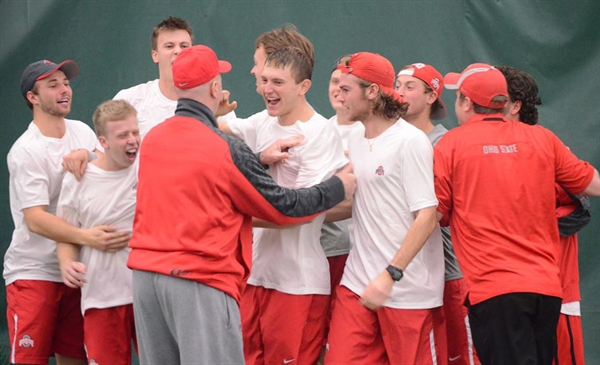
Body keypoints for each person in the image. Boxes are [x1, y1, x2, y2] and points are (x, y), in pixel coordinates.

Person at [127, 44, 356, 364]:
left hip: (144, 278)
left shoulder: (154, 139)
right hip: (197, 278)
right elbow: (283, 207)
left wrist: (258, 159)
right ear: (215, 87)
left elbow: (198, 180)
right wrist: (338, 185)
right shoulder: (224, 149)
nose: (265, 88)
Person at [434, 63, 600, 365]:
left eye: (459, 97)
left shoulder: (451, 145)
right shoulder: (544, 140)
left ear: (468, 102)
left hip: (494, 290)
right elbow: (592, 184)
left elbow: (433, 214)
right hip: (546, 290)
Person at [227, 46, 347, 365]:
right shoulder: (261, 122)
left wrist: (234, 216)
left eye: (278, 82)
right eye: (265, 79)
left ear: (303, 86)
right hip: (254, 276)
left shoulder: (320, 133)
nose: (267, 89)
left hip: (297, 282)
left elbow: (300, 213)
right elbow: (218, 128)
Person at [4, 59, 130, 365]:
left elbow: (107, 164)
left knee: (75, 358)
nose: (64, 90)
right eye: (53, 85)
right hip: (34, 274)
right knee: (29, 359)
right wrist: (87, 237)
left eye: (66, 83)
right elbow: (35, 218)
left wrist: (87, 153)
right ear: (32, 98)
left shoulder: (83, 132)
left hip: (77, 273)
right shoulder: (26, 151)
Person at [325, 52, 445, 365]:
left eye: (347, 89)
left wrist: (390, 275)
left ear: (373, 91)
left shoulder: (411, 142)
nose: (338, 95)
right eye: (337, 86)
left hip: (407, 290)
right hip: (357, 285)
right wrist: (298, 216)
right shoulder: (353, 136)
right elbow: (357, 203)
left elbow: (427, 216)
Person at [498, 65, 587, 365]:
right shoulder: (477, 147)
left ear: (516, 106)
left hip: (554, 288)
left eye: (497, 98)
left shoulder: (546, 146)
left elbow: (578, 210)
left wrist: (530, 223)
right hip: (503, 289)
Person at [396, 63, 478, 365]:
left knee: (460, 356)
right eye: (397, 84)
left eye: (409, 86)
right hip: (404, 274)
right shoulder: (391, 139)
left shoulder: (445, 143)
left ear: (431, 96)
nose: (400, 92)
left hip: (448, 269)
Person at [56, 100, 140, 365]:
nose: (132, 141)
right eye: (123, 135)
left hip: (149, 295)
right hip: (102, 297)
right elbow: (66, 232)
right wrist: (67, 263)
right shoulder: (78, 178)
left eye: (135, 132)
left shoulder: (150, 165)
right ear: (102, 142)